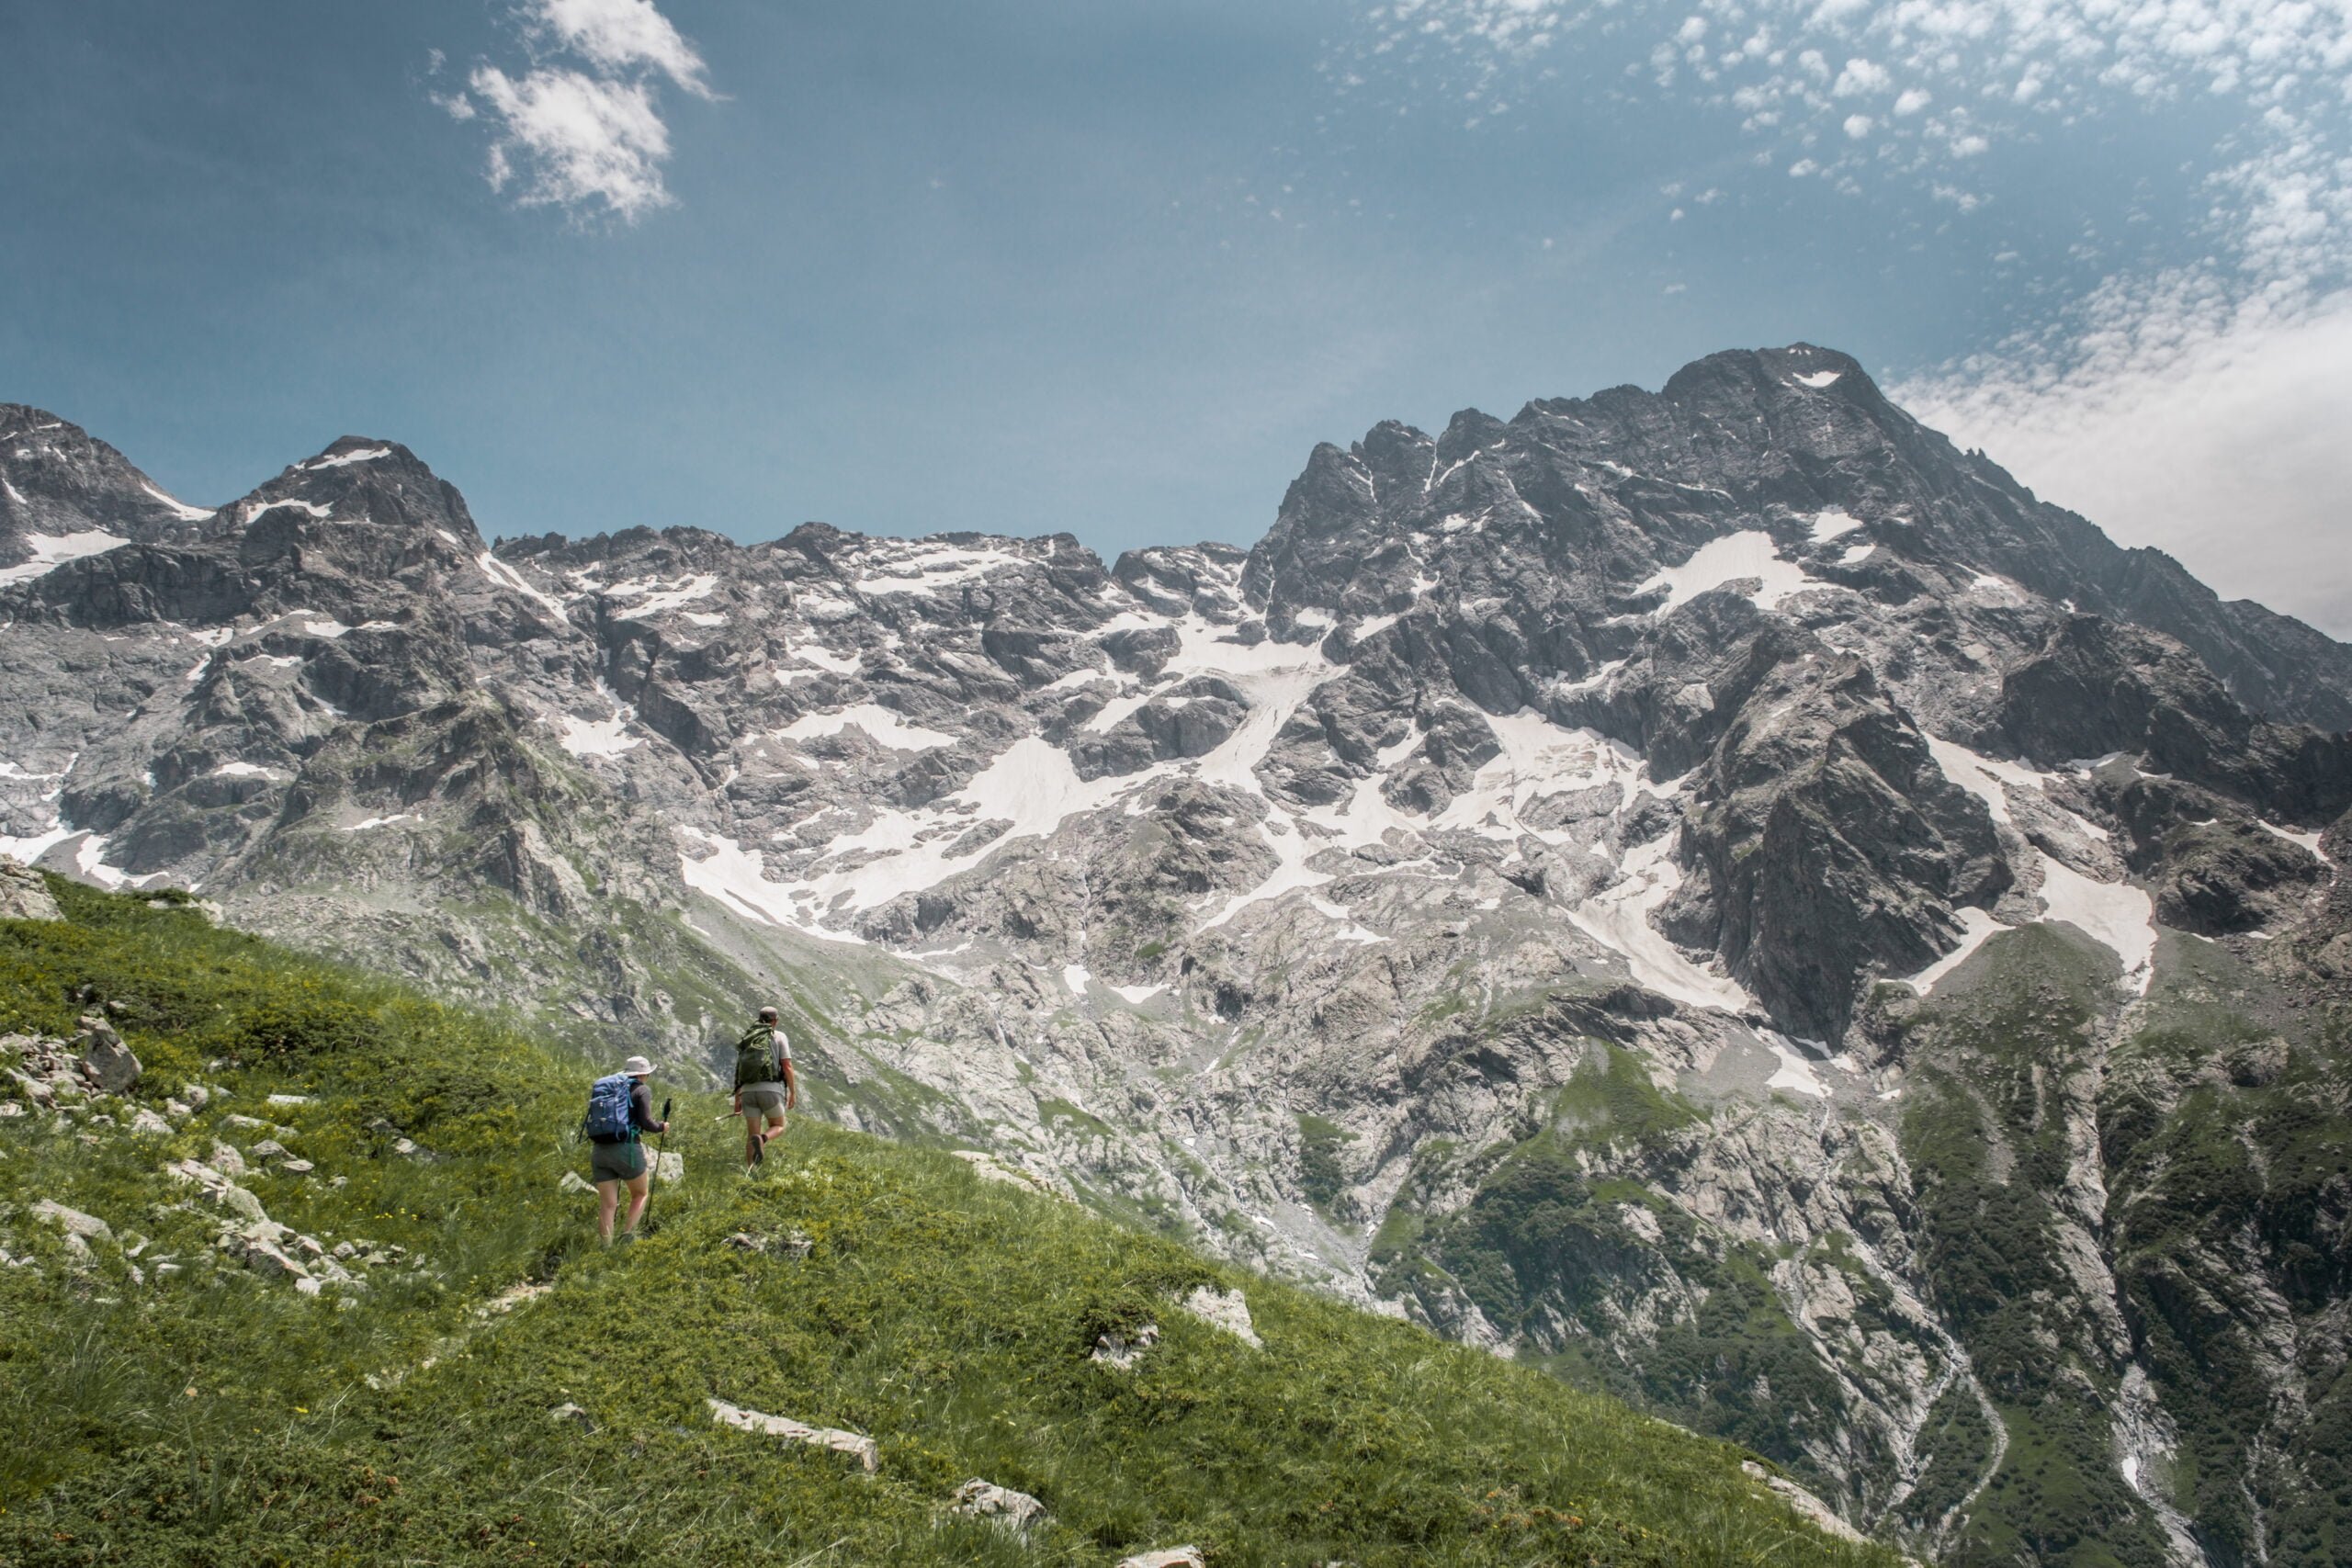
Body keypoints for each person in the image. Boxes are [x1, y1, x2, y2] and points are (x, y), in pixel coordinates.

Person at [588, 1055, 669, 1244]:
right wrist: (662, 1127)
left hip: (599, 1149)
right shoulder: (641, 1090)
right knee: (640, 1194)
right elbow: (646, 1122)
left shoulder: (611, 1090)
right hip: (626, 1148)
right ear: (643, 1075)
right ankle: (627, 1238)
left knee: (608, 1204)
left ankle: (605, 1248)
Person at [732, 1005, 797, 1171]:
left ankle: (751, 1173)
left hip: (747, 1091)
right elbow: (787, 1065)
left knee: (751, 1135)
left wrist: (738, 1098)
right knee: (778, 1126)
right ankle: (763, 1138)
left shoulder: (749, 1037)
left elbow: (740, 1068)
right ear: (775, 1020)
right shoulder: (779, 1036)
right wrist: (792, 1092)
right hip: (770, 1090)